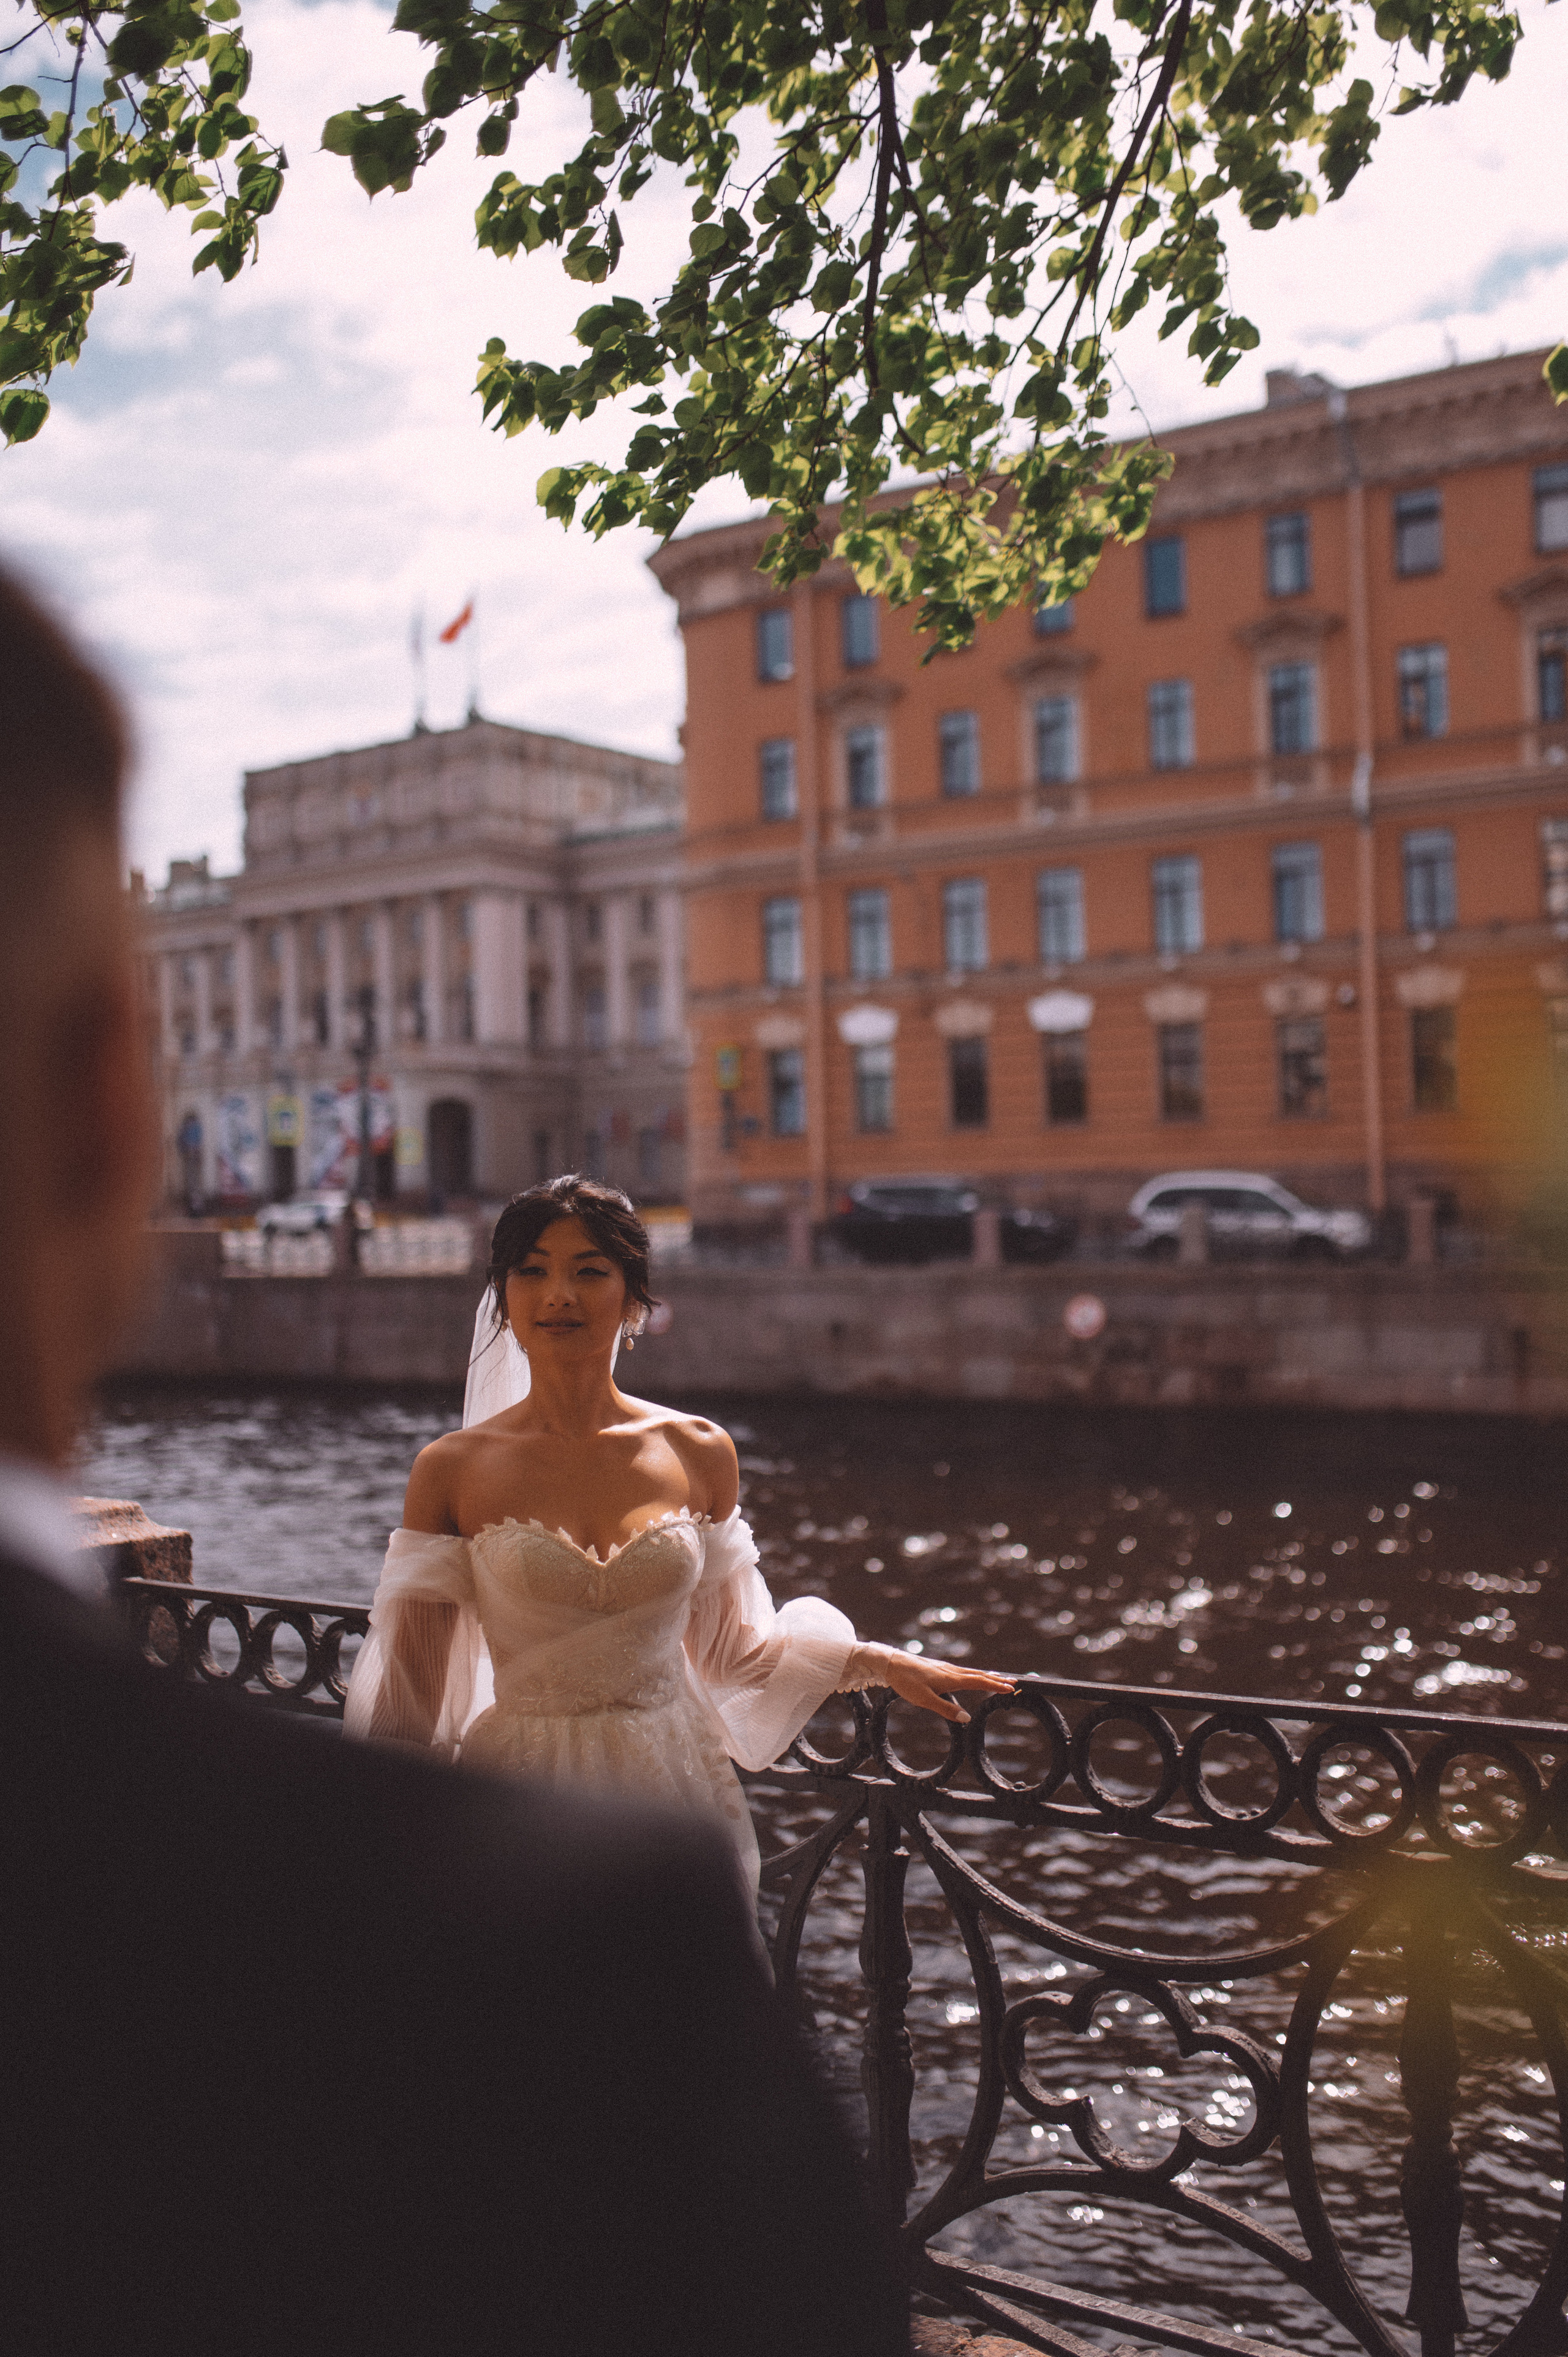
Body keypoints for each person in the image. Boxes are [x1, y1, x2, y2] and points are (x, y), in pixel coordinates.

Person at [0, 566, 910, 2356]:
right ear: (124, 1090)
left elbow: (664, 1653)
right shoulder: (553, 1965)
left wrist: (859, 1650)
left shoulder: (670, 1465)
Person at [345, 1176, 1014, 1892]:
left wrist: (879, 1663)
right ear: (504, 1297)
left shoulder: (698, 1450)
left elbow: (733, 1653)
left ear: (634, 1299)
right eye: (531, 1270)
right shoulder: (450, 1470)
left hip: (673, 1791)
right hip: (516, 1797)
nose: (558, 1294)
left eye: (589, 1271)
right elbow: (411, 1701)